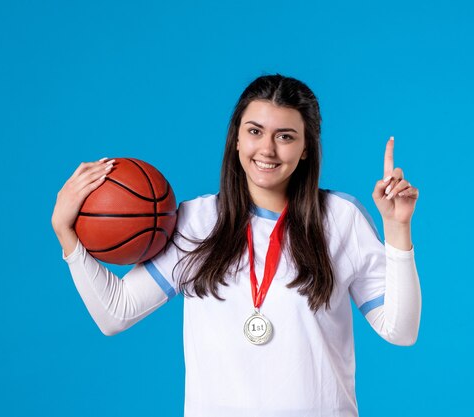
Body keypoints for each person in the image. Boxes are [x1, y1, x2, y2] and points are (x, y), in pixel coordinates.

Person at [51, 74, 421, 417]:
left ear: (307, 147)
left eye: (286, 136)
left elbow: (401, 331)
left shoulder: (342, 219)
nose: (267, 149)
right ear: (237, 138)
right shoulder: (194, 221)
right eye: (255, 131)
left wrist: (397, 227)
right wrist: (66, 232)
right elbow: (115, 313)